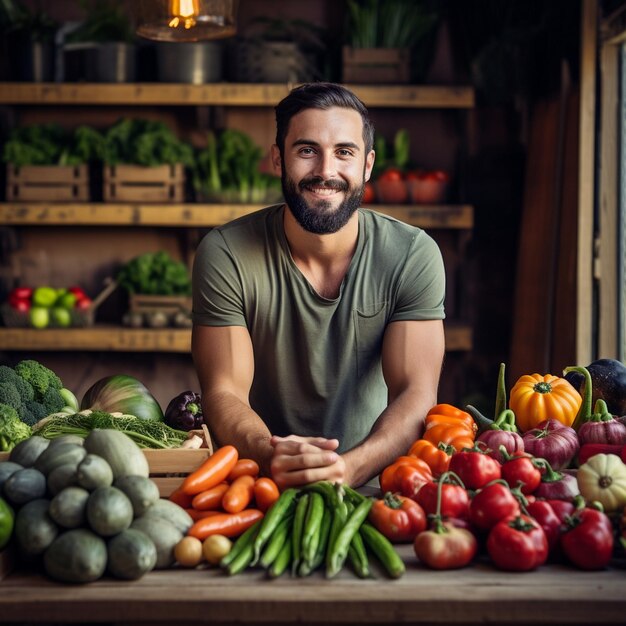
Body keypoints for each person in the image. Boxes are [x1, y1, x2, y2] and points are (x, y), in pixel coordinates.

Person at [191, 82, 446, 490]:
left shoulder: (411, 254)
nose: (326, 172)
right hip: (259, 487)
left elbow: (415, 394)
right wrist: (270, 453)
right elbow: (224, 392)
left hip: (380, 490)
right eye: (307, 150)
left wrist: (350, 469)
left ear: (367, 165)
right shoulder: (227, 253)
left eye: (344, 152)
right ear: (278, 159)